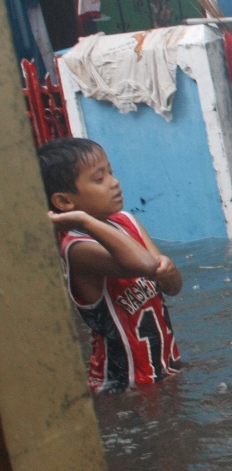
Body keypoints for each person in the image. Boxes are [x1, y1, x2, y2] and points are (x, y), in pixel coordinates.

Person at [38, 137, 182, 393]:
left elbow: (171, 286)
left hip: (163, 369)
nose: (114, 182)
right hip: (121, 386)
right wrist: (85, 221)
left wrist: (169, 273)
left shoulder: (127, 221)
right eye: (99, 179)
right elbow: (145, 264)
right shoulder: (76, 248)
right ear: (65, 202)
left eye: (111, 172)